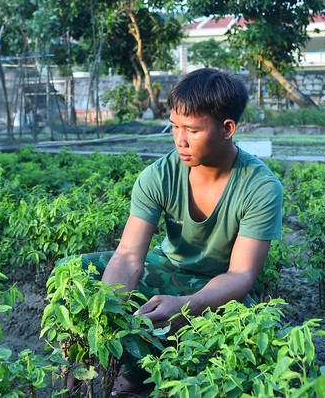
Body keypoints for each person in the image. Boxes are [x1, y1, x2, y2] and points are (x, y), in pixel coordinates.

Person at [77, 68, 284, 394]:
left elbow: (241, 277)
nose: (179, 140)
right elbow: (129, 257)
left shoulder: (260, 187)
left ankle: (140, 372)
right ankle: (116, 367)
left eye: (192, 129)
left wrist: (188, 304)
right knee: (75, 272)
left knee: (234, 345)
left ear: (227, 128)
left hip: (221, 290)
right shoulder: (157, 176)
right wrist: (103, 319)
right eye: (174, 126)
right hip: (169, 269)